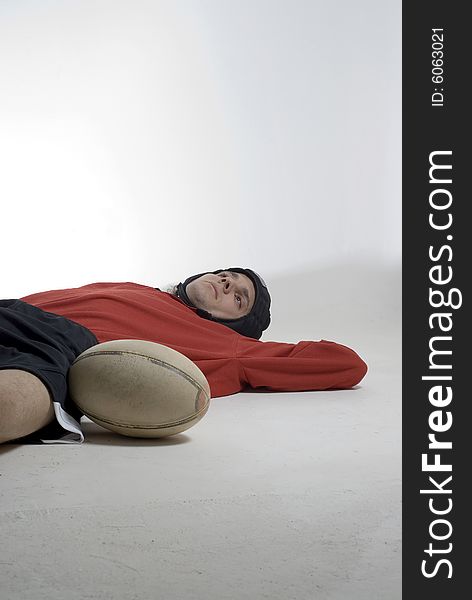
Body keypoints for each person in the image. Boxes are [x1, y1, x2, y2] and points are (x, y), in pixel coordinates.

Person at [0, 267, 367, 444]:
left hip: (61, 351)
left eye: (238, 298)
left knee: (9, 402)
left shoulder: (224, 344)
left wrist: (251, 351)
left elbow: (348, 364)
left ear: (233, 327)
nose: (226, 284)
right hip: (12, 310)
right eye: (227, 276)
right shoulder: (136, 288)